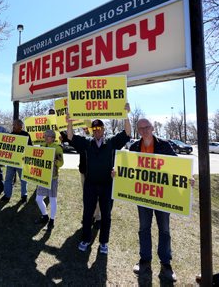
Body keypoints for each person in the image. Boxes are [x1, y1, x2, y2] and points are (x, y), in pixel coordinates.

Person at [67, 104, 131, 255]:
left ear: (103, 129)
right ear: (92, 130)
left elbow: (127, 133)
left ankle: (103, 242)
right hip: (90, 184)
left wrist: (126, 114)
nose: (97, 131)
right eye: (94, 129)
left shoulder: (111, 143)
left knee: (106, 215)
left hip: (107, 185)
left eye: (99, 129)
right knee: (87, 213)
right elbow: (70, 137)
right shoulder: (87, 143)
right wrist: (69, 121)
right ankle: (85, 239)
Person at [127, 118, 183, 282]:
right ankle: (145, 261)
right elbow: (127, 167)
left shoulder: (164, 145)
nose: (144, 130)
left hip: (162, 195)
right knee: (144, 228)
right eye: (141, 128)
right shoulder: (134, 147)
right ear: (138, 130)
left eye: (147, 127)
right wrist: (117, 172)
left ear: (152, 128)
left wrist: (187, 178)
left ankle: (166, 264)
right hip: (143, 195)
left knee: (164, 230)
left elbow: (177, 166)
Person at [34, 129, 64, 230]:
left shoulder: (57, 148)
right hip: (43, 176)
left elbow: (61, 163)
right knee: (38, 198)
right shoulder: (42, 146)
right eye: (44, 136)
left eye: (48, 136)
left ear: (53, 138)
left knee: (52, 199)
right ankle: (45, 216)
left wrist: (55, 161)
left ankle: (52, 220)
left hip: (53, 177)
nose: (45, 138)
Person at [0, 119, 32, 203]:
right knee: (8, 179)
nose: (13, 126)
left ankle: (24, 196)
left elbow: (30, 148)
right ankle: (7, 195)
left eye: (15, 125)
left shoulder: (26, 135)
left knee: (23, 180)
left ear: (20, 126)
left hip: (21, 162)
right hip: (10, 162)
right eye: (13, 124)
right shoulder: (10, 135)